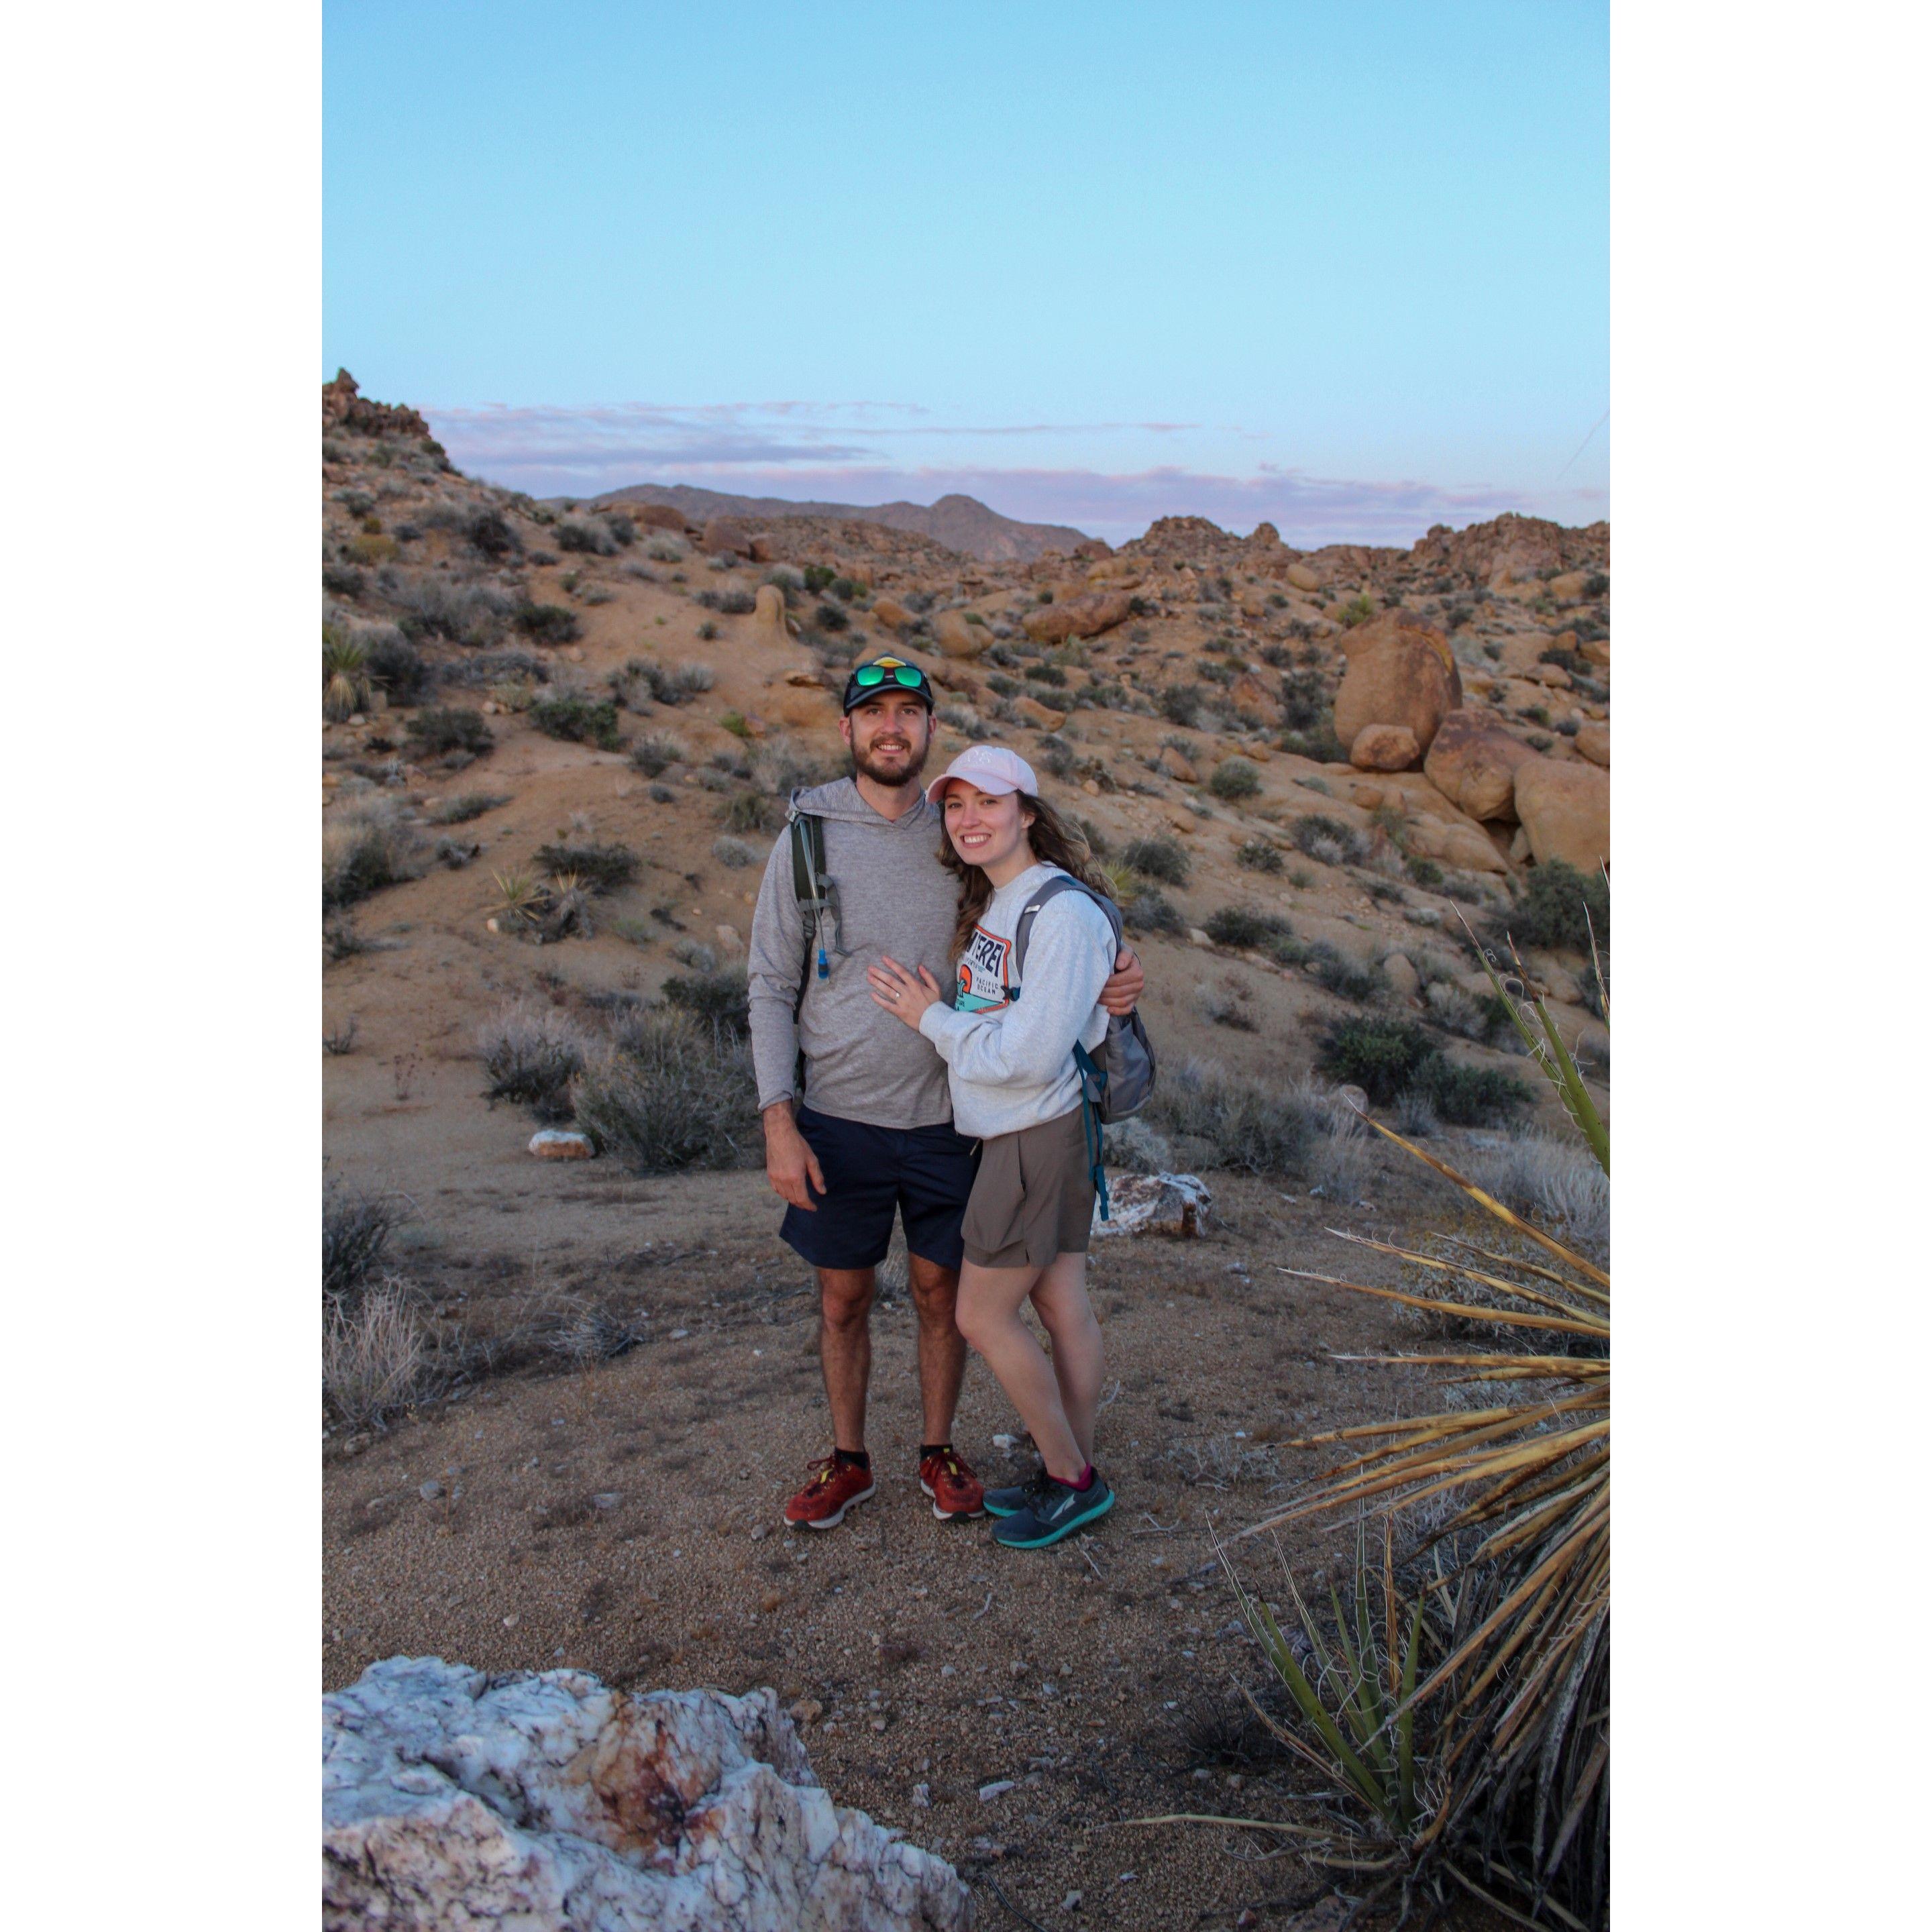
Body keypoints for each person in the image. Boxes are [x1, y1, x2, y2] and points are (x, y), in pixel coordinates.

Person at [745, 657, 1144, 1533]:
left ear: (929, 732)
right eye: (873, 714)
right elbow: (771, 982)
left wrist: (1116, 976)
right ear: (848, 730)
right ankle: (850, 1460)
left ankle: (941, 1450)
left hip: (954, 1123)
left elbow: (1059, 912)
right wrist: (780, 1119)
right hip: (839, 1117)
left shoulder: (957, 832)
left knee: (944, 1300)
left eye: (909, 714)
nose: (892, 728)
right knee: (843, 1299)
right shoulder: (807, 837)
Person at [867, 743, 1120, 1551]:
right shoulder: (1005, 904)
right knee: (1058, 1304)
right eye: (956, 805)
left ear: (1029, 814)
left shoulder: (1062, 912)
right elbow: (1013, 1015)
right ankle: (1070, 1468)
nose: (970, 819)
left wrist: (931, 1021)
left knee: (981, 1314)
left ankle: (1074, 1479)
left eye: (990, 803)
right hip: (1027, 1132)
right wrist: (958, 1008)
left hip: (1032, 1134)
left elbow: (1031, 1055)